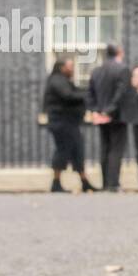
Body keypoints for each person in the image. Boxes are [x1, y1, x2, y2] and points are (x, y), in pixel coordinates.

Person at [42, 57, 95, 193]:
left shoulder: (63, 80)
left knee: (77, 149)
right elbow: (68, 95)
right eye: (70, 66)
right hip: (61, 122)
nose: (72, 68)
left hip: (69, 122)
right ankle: (56, 183)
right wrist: (86, 95)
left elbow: (75, 92)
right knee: (62, 150)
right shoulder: (57, 80)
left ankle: (84, 182)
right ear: (62, 67)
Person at [86, 43, 131, 192]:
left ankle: (106, 182)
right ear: (119, 51)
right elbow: (121, 92)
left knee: (105, 148)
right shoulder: (122, 69)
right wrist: (110, 109)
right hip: (117, 116)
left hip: (100, 115)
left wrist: (96, 110)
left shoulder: (96, 71)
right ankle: (113, 183)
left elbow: (89, 94)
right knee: (116, 149)